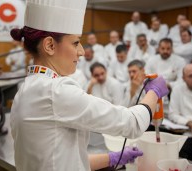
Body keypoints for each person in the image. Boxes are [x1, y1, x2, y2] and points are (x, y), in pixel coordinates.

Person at [10, 1, 169, 170]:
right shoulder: (55, 91)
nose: (82, 52)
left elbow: (64, 161)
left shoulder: (25, 90)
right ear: (50, 45)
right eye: (75, 43)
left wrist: (112, 158)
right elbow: (132, 123)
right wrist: (154, 91)